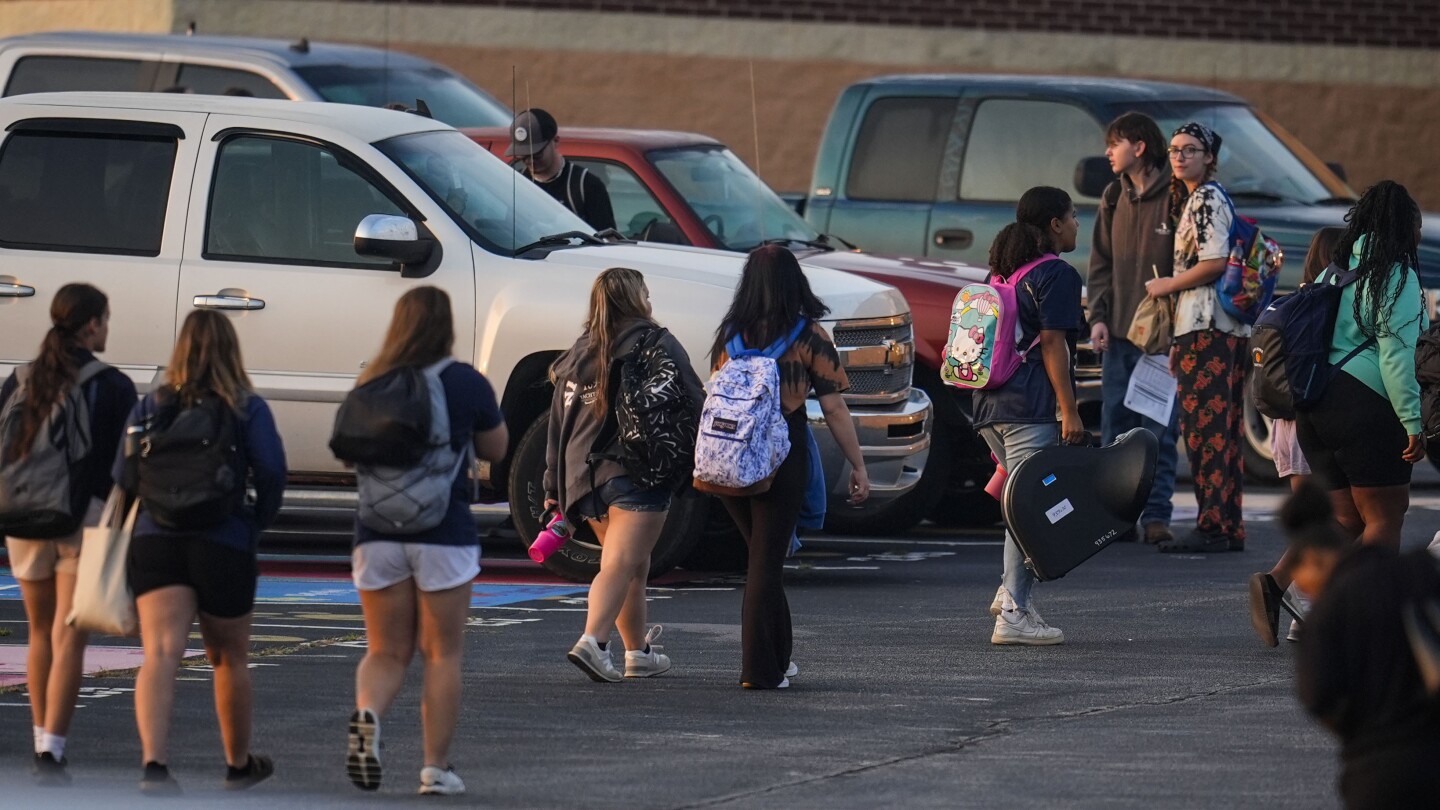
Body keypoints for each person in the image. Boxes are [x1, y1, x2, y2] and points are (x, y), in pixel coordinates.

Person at [345, 286, 507, 797]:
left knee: (386, 651)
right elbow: (496, 448)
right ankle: (436, 769)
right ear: (447, 326)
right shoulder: (464, 382)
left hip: (375, 532)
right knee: (442, 655)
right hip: (443, 533)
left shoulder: (370, 379)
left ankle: (367, 717)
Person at [118, 310, 285, 794]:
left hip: (157, 538)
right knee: (228, 658)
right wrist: (255, 522)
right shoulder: (246, 407)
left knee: (161, 653)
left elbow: (124, 478)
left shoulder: (149, 406)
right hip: (223, 538)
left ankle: (154, 765)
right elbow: (272, 471)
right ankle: (236, 765)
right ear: (232, 352)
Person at [709, 245, 868, 688]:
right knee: (765, 563)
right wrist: (858, 465)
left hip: (728, 457)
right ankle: (758, 670)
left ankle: (779, 656)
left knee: (764, 558)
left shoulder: (730, 335)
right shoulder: (809, 335)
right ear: (794, 282)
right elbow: (834, 408)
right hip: (780, 453)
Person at [1, 283, 135, 785]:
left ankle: (39, 737)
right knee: (68, 635)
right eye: (106, 319)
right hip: (84, 519)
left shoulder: (18, 379)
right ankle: (52, 753)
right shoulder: (112, 385)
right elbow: (125, 463)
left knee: (37, 632)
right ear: (92, 325)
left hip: (23, 516)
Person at [543, 267, 703, 682]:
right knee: (618, 564)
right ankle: (592, 642)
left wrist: (552, 486)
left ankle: (638, 653)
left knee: (633, 563)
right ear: (637, 300)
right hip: (637, 468)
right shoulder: (656, 343)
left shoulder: (578, 353)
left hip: (583, 479)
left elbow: (557, 426)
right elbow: (693, 397)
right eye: (646, 294)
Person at [1282, 482, 1440, 809]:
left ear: (1313, 560)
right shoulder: (1415, 569)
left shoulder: (1326, 616)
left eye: (1300, 580)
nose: (1306, 591)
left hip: (1376, 770)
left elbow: (1320, 698)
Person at [974, 186, 1086, 646]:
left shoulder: (1002, 274)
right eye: (1074, 216)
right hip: (1030, 406)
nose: (1078, 224)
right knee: (1028, 508)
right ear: (1055, 225)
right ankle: (1015, 613)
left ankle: (1010, 594)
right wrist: (1069, 410)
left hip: (987, 407)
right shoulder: (1056, 275)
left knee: (1019, 503)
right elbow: (1052, 344)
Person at [1295, 181, 1427, 551]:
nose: (1419, 235)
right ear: (1403, 228)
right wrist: (1412, 422)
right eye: (1415, 227)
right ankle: (1370, 606)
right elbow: (1396, 356)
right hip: (1364, 407)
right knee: (1385, 517)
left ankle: (1276, 583)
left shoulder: (1333, 272)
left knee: (1345, 520)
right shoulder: (1396, 276)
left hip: (1315, 406)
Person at [1144, 122, 1248, 554]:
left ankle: (1213, 526)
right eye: (1174, 150)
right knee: (1220, 431)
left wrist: (1167, 285)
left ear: (1209, 157)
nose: (1180, 156)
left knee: (1206, 431)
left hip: (1208, 328)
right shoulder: (1198, 199)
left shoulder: (1205, 199)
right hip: (1214, 329)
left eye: (1190, 149)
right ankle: (1225, 525)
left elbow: (1215, 262)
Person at [1248, 226, 1344, 647]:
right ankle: (1290, 594)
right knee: (1332, 520)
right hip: (1310, 426)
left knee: (1319, 520)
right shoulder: (1327, 304)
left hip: (1283, 427)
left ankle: (1301, 604)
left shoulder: (1294, 299)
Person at [1088, 112, 1180, 545]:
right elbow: (1100, 265)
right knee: (1115, 429)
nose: (1108, 152)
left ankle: (1157, 516)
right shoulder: (1112, 196)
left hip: (1163, 341)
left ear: (1139, 147)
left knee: (1159, 429)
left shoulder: (1177, 197)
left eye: (1115, 143)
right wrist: (1098, 317)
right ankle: (1116, 517)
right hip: (1120, 335)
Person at [507, 107, 616, 232]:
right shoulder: (518, 185)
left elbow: (609, 242)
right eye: (523, 156)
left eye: (536, 154)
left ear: (556, 141)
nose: (530, 161)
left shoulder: (586, 185)